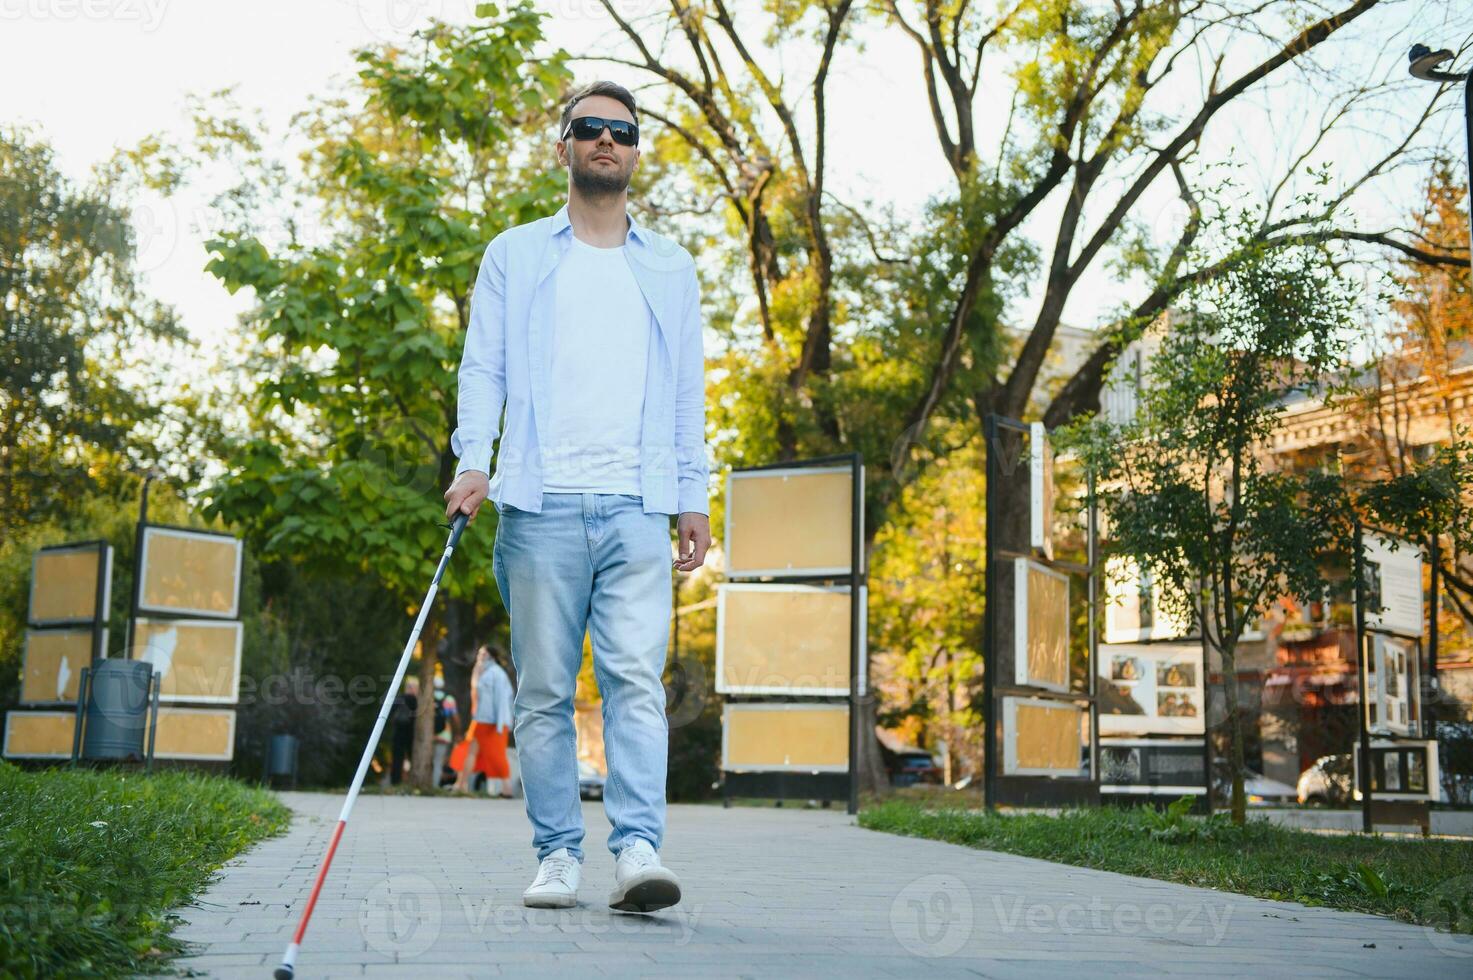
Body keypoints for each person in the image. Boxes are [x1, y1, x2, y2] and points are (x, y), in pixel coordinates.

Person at [442, 79, 711, 914]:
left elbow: (685, 393)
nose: (606, 141)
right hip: (537, 500)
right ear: (563, 148)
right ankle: (558, 853)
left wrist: (692, 495)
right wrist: (472, 461)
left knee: (634, 680)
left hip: (637, 506)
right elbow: (481, 367)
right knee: (545, 692)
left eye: (621, 132)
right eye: (589, 129)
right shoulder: (515, 254)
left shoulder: (670, 267)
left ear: (635, 153)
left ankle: (636, 851)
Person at [450, 645, 514, 796]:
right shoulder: (483, 672)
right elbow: (476, 693)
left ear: (491, 656)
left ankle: (507, 789)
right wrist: (476, 673)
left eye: (483, 653)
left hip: (491, 722)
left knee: (497, 754)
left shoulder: (496, 674)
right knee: (469, 750)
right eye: (479, 653)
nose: (480, 656)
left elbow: (502, 699)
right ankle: (461, 784)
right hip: (481, 720)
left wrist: (500, 724)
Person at [388, 676, 418, 786]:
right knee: (413, 757)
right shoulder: (417, 701)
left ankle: (395, 782)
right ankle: (413, 781)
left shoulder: (399, 698)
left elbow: (390, 714)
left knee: (397, 758)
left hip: (398, 731)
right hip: (412, 733)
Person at [432, 673, 458, 787]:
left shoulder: (427, 697)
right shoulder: (449, 699)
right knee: (438, 762)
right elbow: (455, 718)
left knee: (427, 761)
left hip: (427, 736)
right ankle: (434, 786)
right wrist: (458, 732)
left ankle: (424, 785)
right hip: (444, 735)